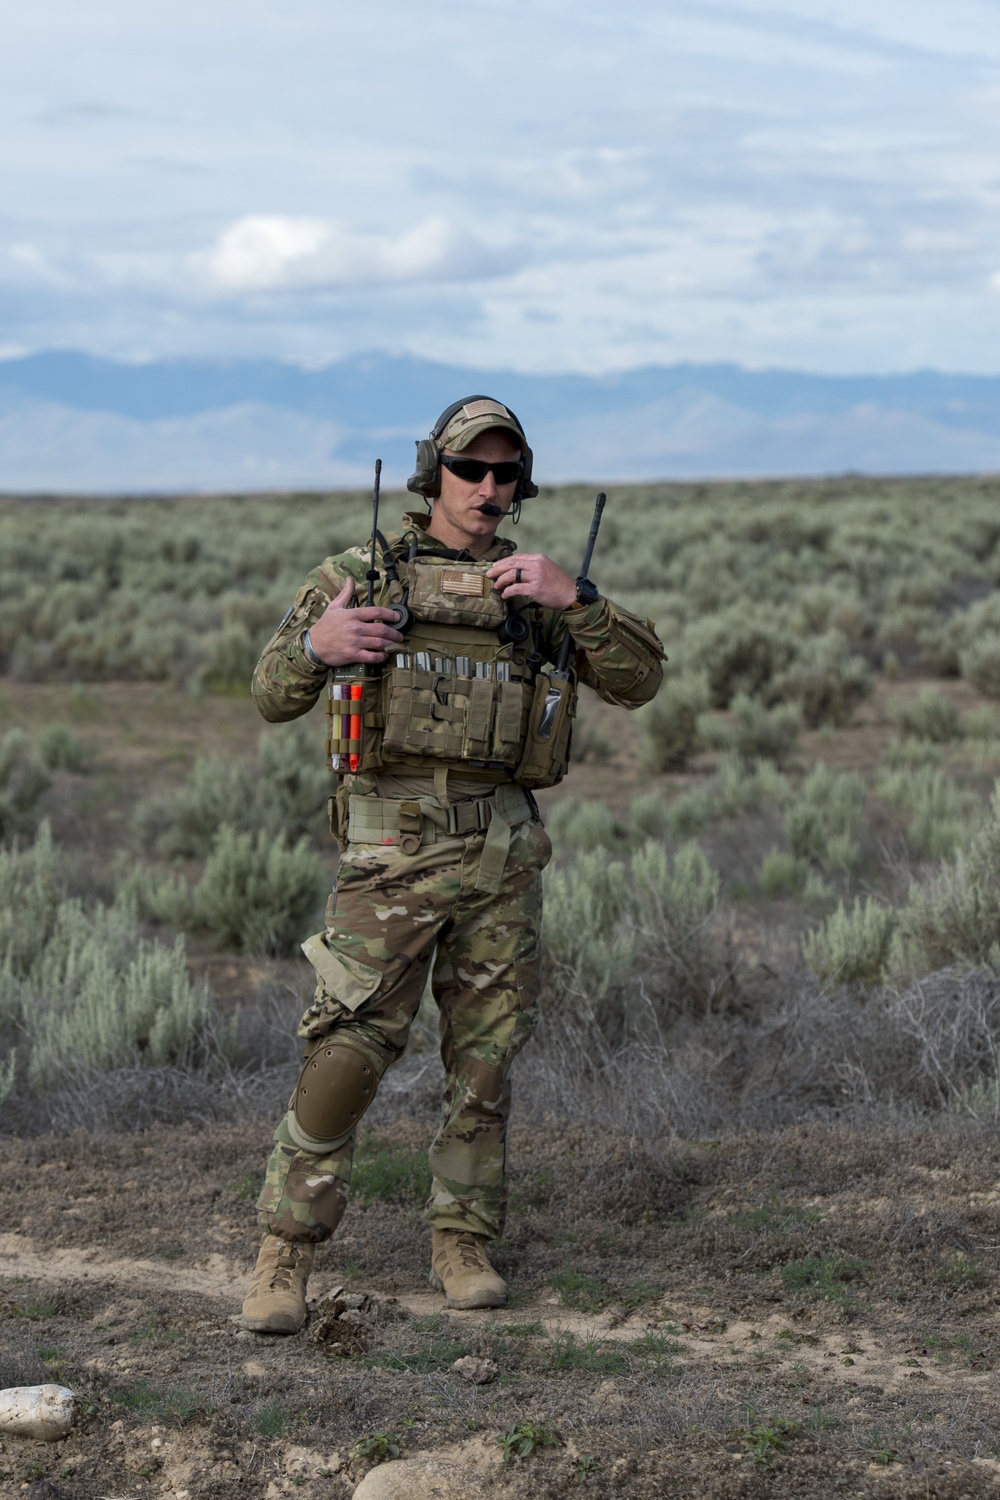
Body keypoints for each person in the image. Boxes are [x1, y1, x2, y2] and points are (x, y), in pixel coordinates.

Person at [241, 396, 664, 1332]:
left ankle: (461, 1242)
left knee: (484, 1062)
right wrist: (320, 645)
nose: (488, 488)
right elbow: (271, 691)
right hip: (393, 850)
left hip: (502, 852)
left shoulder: (534, 588)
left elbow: (641, 681)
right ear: (434, 473)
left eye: (506, 473)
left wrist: (578, 601)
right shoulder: (361, 574)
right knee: (347, 1047)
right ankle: (284, 1254)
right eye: (471, 469)